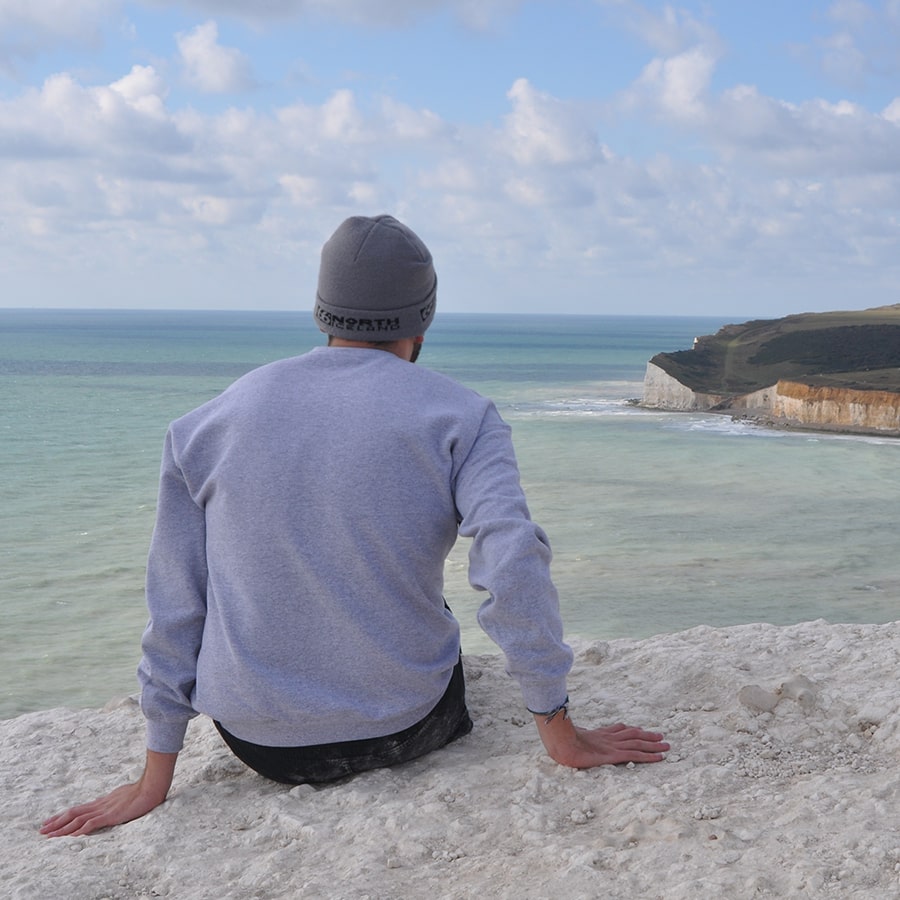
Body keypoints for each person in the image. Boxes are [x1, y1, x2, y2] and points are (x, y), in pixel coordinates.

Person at [41, 214, 668, 838]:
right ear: (424, 318)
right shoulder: (463, 416)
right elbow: (512, 560)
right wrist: (558, 727)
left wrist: (155, 778)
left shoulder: (204, 424)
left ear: (322, 312)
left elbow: (177, 601)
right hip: (407, 725)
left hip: (260, 744)